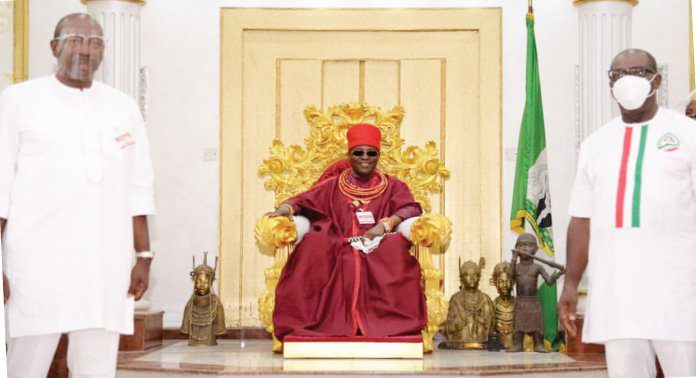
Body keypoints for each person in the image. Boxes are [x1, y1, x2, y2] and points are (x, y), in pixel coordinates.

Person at [0, 13, 156, 377]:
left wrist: (144, 256)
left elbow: (138, 186)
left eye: (96, 42)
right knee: (28, 361)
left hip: (105, 262)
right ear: (54, 47)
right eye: (75, 40)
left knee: (98, 364)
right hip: (36, 261)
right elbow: (0, 183)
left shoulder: (123, 107)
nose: (85, 50)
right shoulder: (19, 101)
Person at [560, 49, 696, 377]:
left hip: (677, 287)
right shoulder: (595, 144)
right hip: (617, 289)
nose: (626, 80)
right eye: (617, 75)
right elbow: (581, 218)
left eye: (636, 71)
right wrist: (570, 282)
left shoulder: (687, 134)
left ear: (656, 79)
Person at [267, 123, 426, 340]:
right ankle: (327, 324)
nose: (365, 157)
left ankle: (386, 324)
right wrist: (284, 209)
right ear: (349, 155)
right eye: (358, 152)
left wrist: (385, 225)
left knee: (394, 248)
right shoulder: (332, 185)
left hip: (377, 247)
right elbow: (301, 201)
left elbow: (411, 207)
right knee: (315, 247)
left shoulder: (393, 186)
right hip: (337, 246)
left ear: (378, 155)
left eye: (371, 153)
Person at [508, 233, 564, 353]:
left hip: (533, 302)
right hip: (520, 301)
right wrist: (513, 258)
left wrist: (559, 274)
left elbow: (549, 281)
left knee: (536, 326)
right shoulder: (516, 267)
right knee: (518, 326)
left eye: (528, 245)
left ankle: (538, 344)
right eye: (521, 245)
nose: (524, 248)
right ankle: (518, 344)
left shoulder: (537, 267)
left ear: (535, 249)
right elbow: (510, 275)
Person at [443, 258, 494, 347]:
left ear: (479, 277)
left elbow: (491, 326)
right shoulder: (456, 299)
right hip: (460, 347)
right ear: (461, 278)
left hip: (482, 348)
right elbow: (448, 327)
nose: (472, 278)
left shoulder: (486, 300)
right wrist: (455, 326)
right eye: (467, 275)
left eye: (475, 275)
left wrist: (481, 321)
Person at [489, 261, 515, 349]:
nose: (505, 285)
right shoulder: (491, 306)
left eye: (508, 281)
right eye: (501, 281)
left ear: (513, 282)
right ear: (495, 283)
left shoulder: (519, 306)